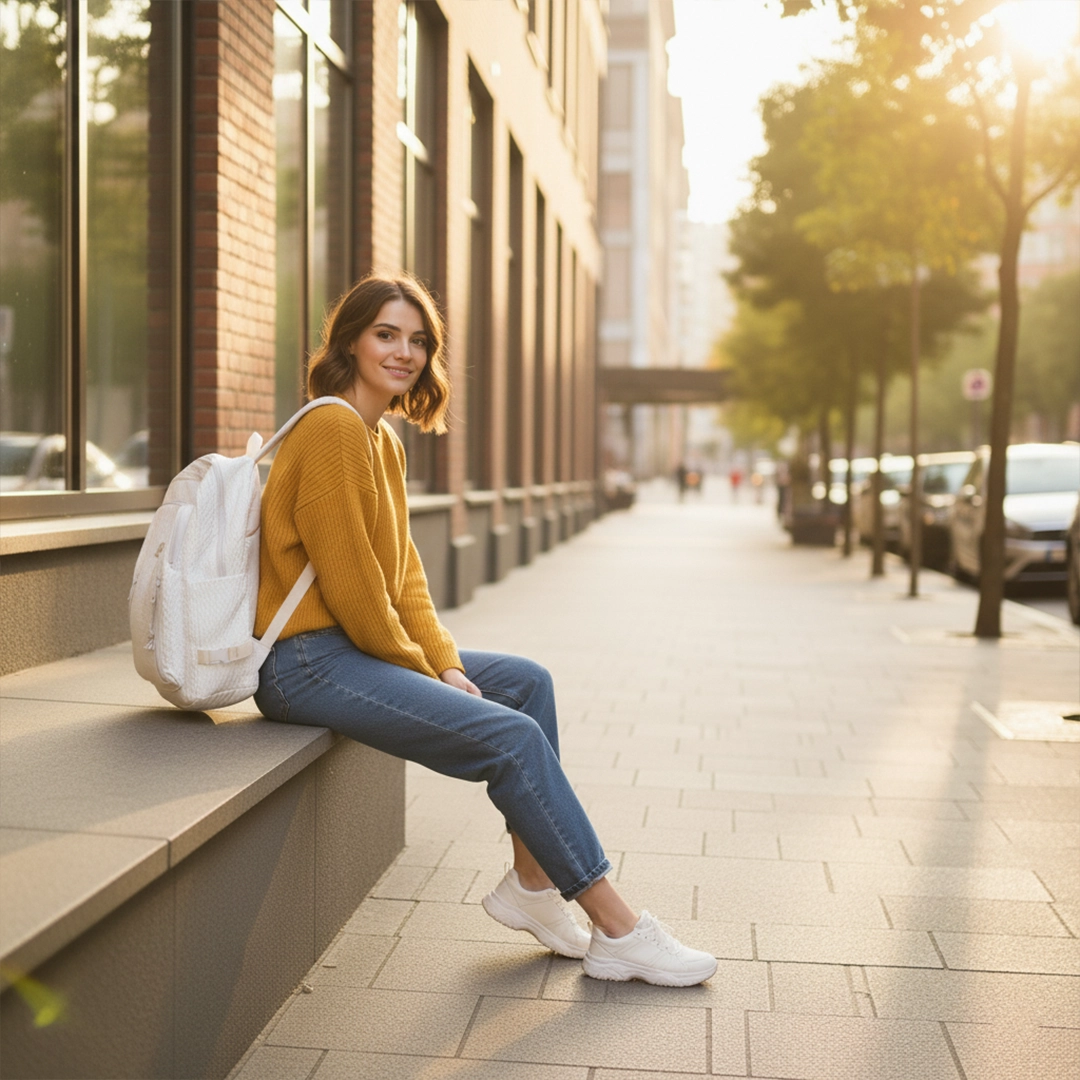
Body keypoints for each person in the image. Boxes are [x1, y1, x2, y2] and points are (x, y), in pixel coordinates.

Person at [253, 272, 717, 987]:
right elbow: (353, 590)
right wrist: (427, 670)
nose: (404, 352)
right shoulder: (333, 428)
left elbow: (403, 578)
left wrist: (441, 662)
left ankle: (531, 888)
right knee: (511, 736)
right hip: (304, 662)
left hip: (346, 649)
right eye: (386, 334)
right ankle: (618, 928)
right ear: (349, 339)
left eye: (417, 340)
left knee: (526, 684)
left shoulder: (381, 440)